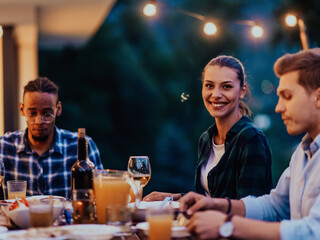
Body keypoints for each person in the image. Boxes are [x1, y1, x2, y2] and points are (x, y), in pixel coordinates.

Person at [179, 48, 320, 240]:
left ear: (318, 97)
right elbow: (276, 206)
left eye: (287, 96)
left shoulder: (251, 137)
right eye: (209, 85)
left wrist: (225, 225)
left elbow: (314, 231)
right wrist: (217, 205)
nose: (278, 107)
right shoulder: (303, 153)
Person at [145, 56, 273, 201]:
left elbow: (248, 209)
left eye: (227, 86)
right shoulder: (206, 139)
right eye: (209, 86)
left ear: (242, 91)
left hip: (231, 224)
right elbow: (206, 197)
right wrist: (174, 198)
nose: (216, 95)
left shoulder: (251, 138)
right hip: (206, 223)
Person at [0, 77, 103, 198]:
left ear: (58, 109)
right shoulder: (4, 146)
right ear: (22, 109)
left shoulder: (82, 147)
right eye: (32, 113)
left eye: (47, 114)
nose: (39, 121)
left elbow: (101, 198)